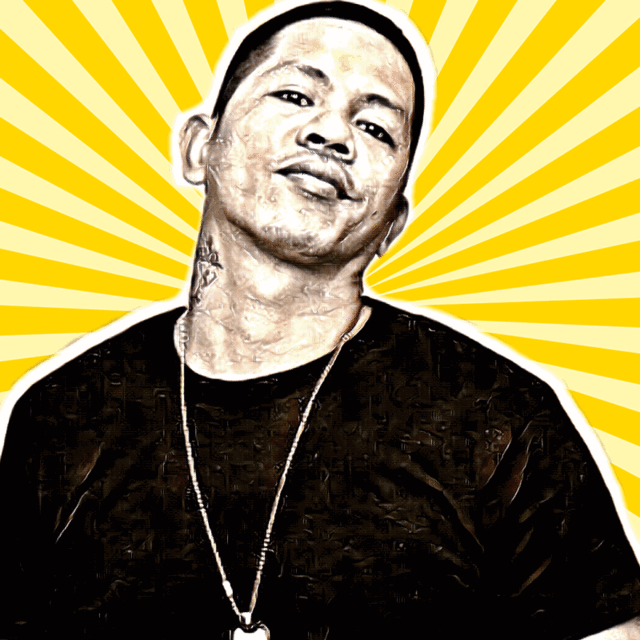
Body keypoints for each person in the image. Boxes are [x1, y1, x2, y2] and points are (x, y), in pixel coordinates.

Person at [1, 2, 639, 639]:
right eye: (294, 95)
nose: (332, 134)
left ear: (393, 223)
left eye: (376, 128)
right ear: (199, 148)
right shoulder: (62, 415)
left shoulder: (501, 419)